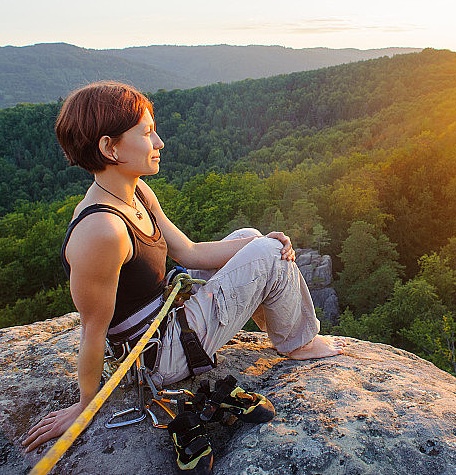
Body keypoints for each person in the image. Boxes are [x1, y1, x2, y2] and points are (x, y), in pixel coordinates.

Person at [22, 81, 345, 453]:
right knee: (267, 251)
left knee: (250, 235)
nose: (159, 142)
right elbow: (93, 332)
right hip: (159, 357)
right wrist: (84, 406)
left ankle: (277, 311)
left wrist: (259, 244)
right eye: (146, 133)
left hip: (167, 320)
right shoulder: (102, 231)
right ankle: (299, 343)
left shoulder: (137, 192)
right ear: (110, 148)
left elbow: (189, 253)